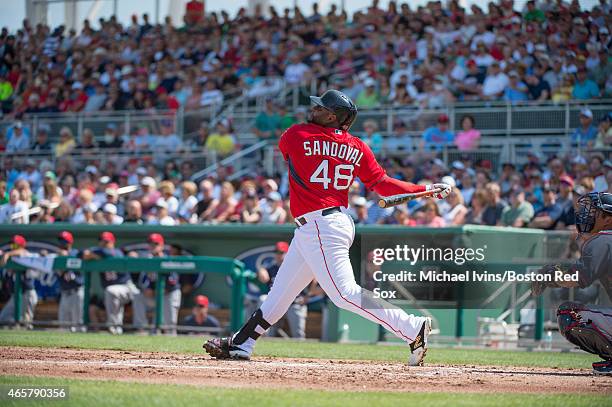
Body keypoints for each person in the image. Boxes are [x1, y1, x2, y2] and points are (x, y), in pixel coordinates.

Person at [204, 89, 451, 365]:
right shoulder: (358, 146)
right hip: (327, 223)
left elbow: (290, 150)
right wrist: (425, 189)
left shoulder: (297, 134)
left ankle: (410, 326)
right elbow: (384, 186)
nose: (314, 110)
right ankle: (241, 343)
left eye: (321, 108)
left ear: (333, 116)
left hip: (321, 224)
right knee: (280, 293)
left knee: (344, 294)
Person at [531, 192, 612, 375]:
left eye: (594, 212)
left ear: (607, 219)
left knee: (569, 314)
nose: (586, 215)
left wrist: (550, 276)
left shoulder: (603, 239)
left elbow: (575, 279)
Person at [82, 232, 138, 335]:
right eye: (102, 241)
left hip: (126, 287)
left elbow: (109, 253)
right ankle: (116, 329)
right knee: (111, 295)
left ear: (113, 242)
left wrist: (94, 255)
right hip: (112, 291)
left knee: (111, 291)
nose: (104, 244)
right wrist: (91, 254)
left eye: (107, 242)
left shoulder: (117, 252)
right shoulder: (97, 251)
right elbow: (82, 253)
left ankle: (113, 326)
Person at [132, 233, 181, 335]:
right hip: (156, 295)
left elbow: (172, 284)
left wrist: (157, 291)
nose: (153, 246)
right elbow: (143, 281)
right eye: (150, 244)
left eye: (156, 244)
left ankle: (170, 333)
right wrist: (147, 289)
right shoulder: (148, 261)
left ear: (162, 246)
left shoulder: (168, 260)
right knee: (138, 296)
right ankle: (142, 329)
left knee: (168, 303)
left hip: (169, 294)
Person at [257, 242, 309, 339]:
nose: (278, 255)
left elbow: (312, 280)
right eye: (276, 252)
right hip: (276, 302)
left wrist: (307, 296)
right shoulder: (271, 268)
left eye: (281, 252)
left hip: (294, 302)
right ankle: (262, 334)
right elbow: (263, 277)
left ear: (288, 253)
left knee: (298, 335)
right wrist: (261, 270)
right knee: (263, 299)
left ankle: (300, 348)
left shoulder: (295, 267)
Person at [0, 235, 39, 327]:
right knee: (3, 318)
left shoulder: (27, 255)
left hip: (27, 294)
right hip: (16, 295)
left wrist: (8, 254)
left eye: (16, 245)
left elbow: (22, 252)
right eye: (12, 246)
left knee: (25, 322)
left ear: (22, 245)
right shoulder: (11, 258)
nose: (13, 247)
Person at [55, 231, 84, 331]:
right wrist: (61, 257)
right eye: (61, 241)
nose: (62, 244)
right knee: (63, 325)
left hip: (77, 291)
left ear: (70, 242)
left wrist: (66, 256)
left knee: (78, 324)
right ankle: (65, 347)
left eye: (65, 242)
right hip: (65, 293)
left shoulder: (76, 253)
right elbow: (59, 271)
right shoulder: (58, 256)